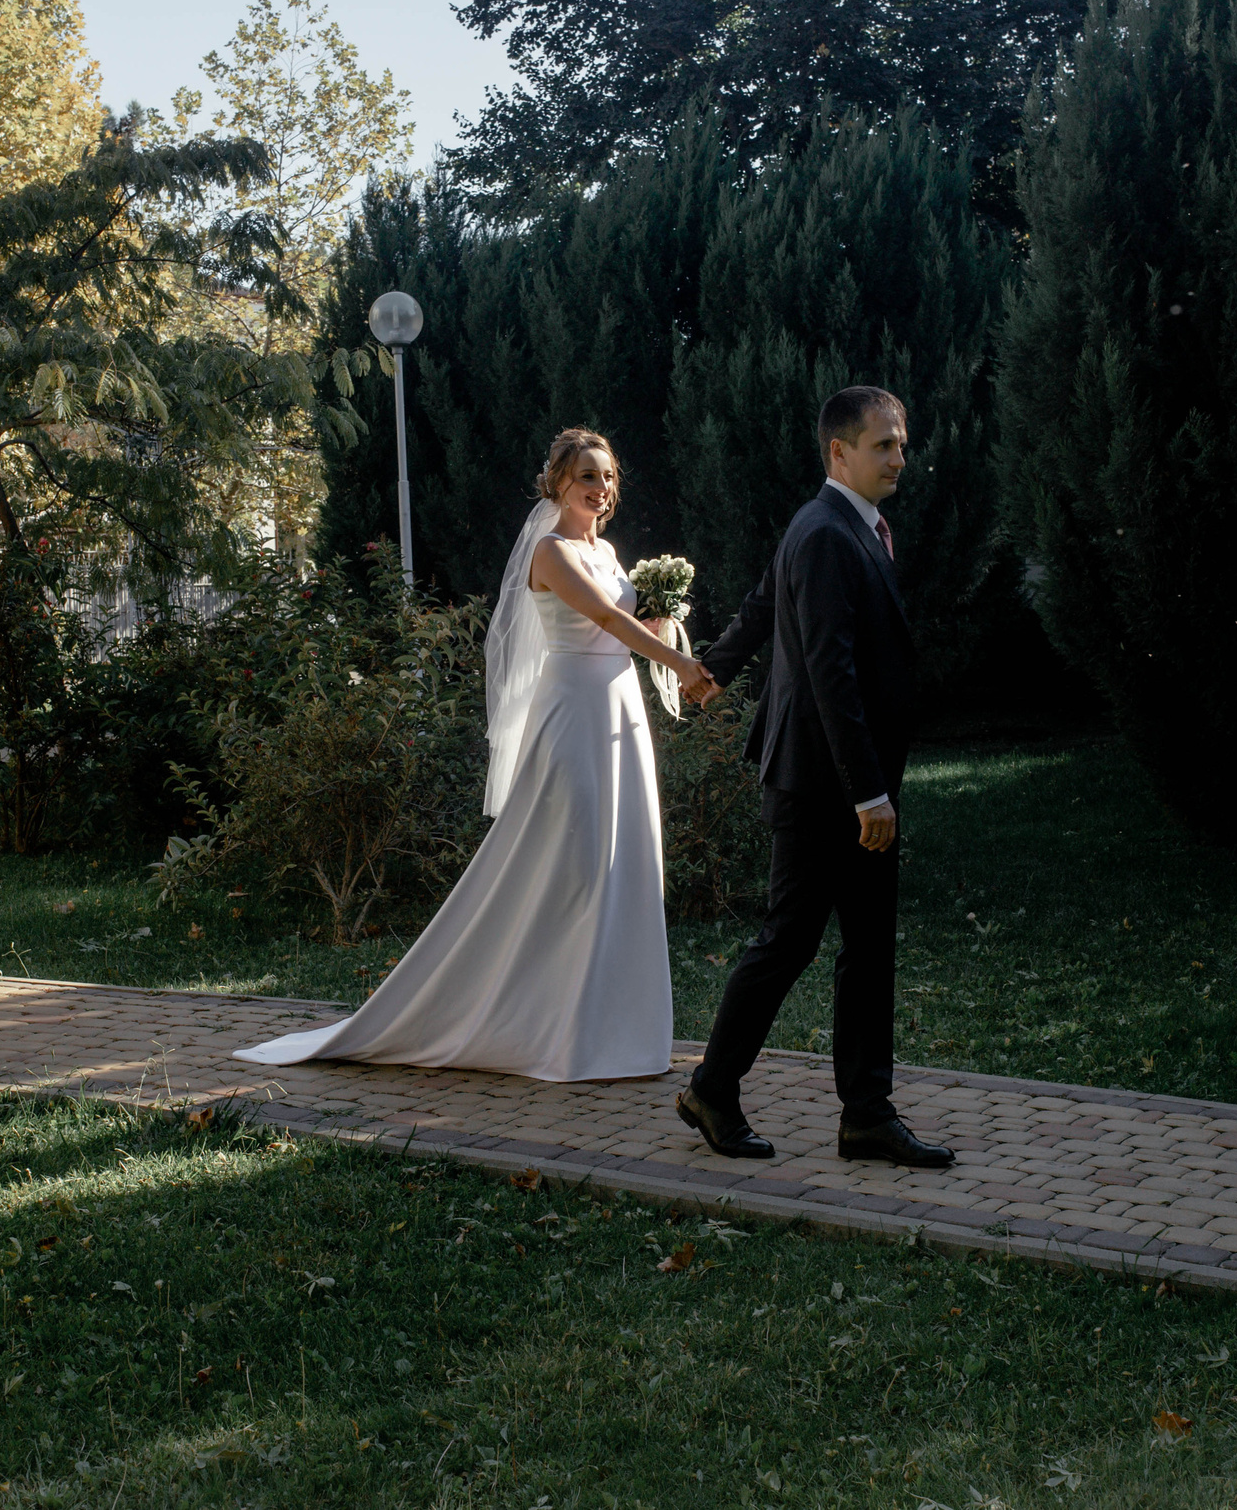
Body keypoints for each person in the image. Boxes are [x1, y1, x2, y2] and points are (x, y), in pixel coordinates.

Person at [234, 429, 717, 1082]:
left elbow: (627, 623)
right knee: (572, 859)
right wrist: (681, 662)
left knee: (622, 859)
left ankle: (616, 1030)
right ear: (558, 485)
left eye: (607, 478)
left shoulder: (605, 550)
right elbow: (604, 620)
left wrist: (663, 622)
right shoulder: (550, 553)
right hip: (573, 713)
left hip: (620, 713)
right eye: (586, 478)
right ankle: (556, 1030)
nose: (600, 489)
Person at [673, 387, 953, 1167]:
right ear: (840, 452)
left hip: (840, 775)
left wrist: (716, 668)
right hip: (824, 781)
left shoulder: (826, 523)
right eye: (883, 445)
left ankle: (866, 1113)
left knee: (867, 946)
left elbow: (766, 603)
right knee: (788, 941)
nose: (899, 456)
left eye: (901, 443)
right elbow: (831, 670)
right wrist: (869, 791)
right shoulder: (829, 532)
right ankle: (712, 1090)